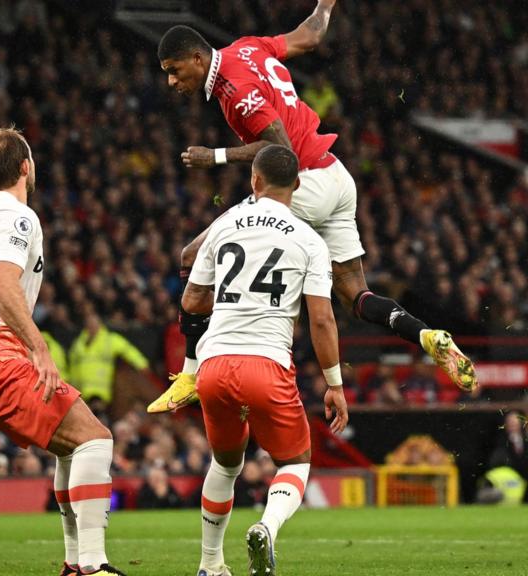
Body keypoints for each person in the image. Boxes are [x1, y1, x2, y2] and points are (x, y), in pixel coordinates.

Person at [150, 0, 475, 415]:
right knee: (354, 294)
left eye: (175, 70)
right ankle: (427, 336)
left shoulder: (234, 89)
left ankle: (193, 373)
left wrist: (213, 156)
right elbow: (309, 36)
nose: (173, 82)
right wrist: (325, 3)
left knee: (193, 255)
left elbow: (280, 148)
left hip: (302, 182)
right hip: (337, 177)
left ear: (197, 58)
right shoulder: (247, 47)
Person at [0, 128, 126, 576]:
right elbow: (3, 287)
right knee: (94, 437)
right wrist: (40, 349)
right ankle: (91, 566)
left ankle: (73, 564)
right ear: (26, 167)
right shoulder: (17, 217)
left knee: (72, 448)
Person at [178, 146, 349, 576]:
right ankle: (267, 528)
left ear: (254, 181)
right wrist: (335, 384)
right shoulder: (309, 239)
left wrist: (189, 370)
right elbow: (322, 321)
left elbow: (192, 299)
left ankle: (210, 564)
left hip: (215, 365)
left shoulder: (223, 226)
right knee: (296, 461)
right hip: (267, 364)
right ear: (297, 185)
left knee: (225, 463)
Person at [68, 311, 149, 407]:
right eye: (89, 323)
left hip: (100, 391)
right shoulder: (78, 343)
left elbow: (127, 349)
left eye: (94, 323)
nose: (92, 326)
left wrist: (142, 364)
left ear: (100, 324)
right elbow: (72, 364)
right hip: (80, 392)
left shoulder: (109, 340)